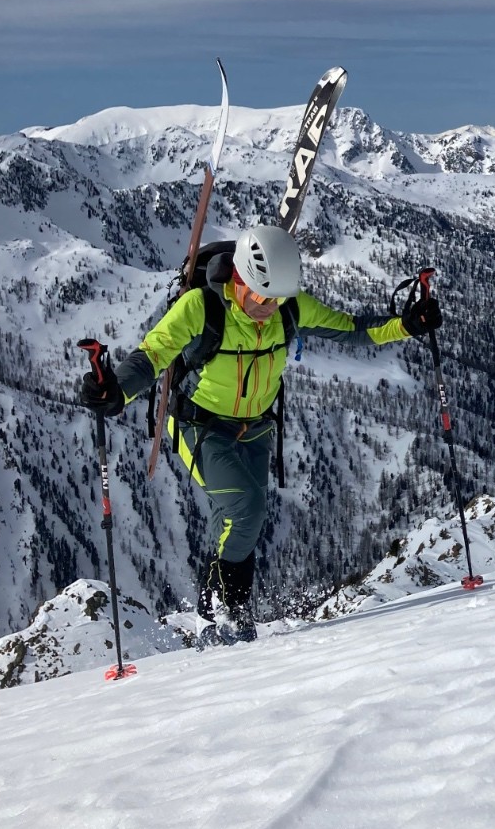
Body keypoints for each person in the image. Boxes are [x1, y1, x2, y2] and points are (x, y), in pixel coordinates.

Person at [79, 223, 441, 639]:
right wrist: (115, 391)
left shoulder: (290, 307)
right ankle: (225, 613)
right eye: (263, 298)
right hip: (200, 428)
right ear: (241, 280)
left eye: (277, 299)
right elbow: (152, 354)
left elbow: (353, 329)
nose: (270, 308)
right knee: (247, 510)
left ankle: (217, 626)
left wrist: (407, 325)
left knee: (235, 523)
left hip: (256, 430)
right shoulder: (201, 307)